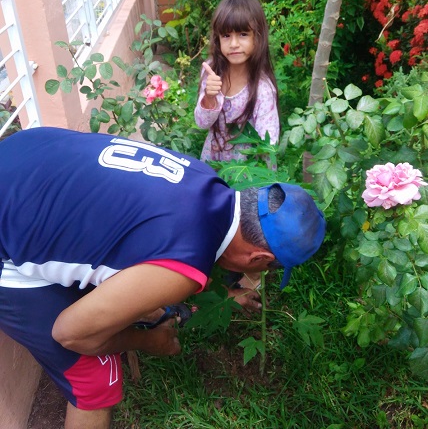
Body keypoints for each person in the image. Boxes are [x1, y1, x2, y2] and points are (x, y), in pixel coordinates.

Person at [0, 127, 325, 429]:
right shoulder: (184, 264)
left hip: (22, 152)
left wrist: (225, 295)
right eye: (269, 269)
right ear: (259, 259)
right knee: (97, 379)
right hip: (5, 245)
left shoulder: (205, 179)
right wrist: (149, 341)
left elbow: (168, 248)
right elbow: (70, 334)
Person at [194, 0, 280, 163]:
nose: (234, 44)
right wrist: (209, 97)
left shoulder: (263, 90)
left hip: (246, 169)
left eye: (243, 34)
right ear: (218, 39)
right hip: (213, 162)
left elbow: (268, 146)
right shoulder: (212, 72)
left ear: (258, 37)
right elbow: (202, 123)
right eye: (226, 36)